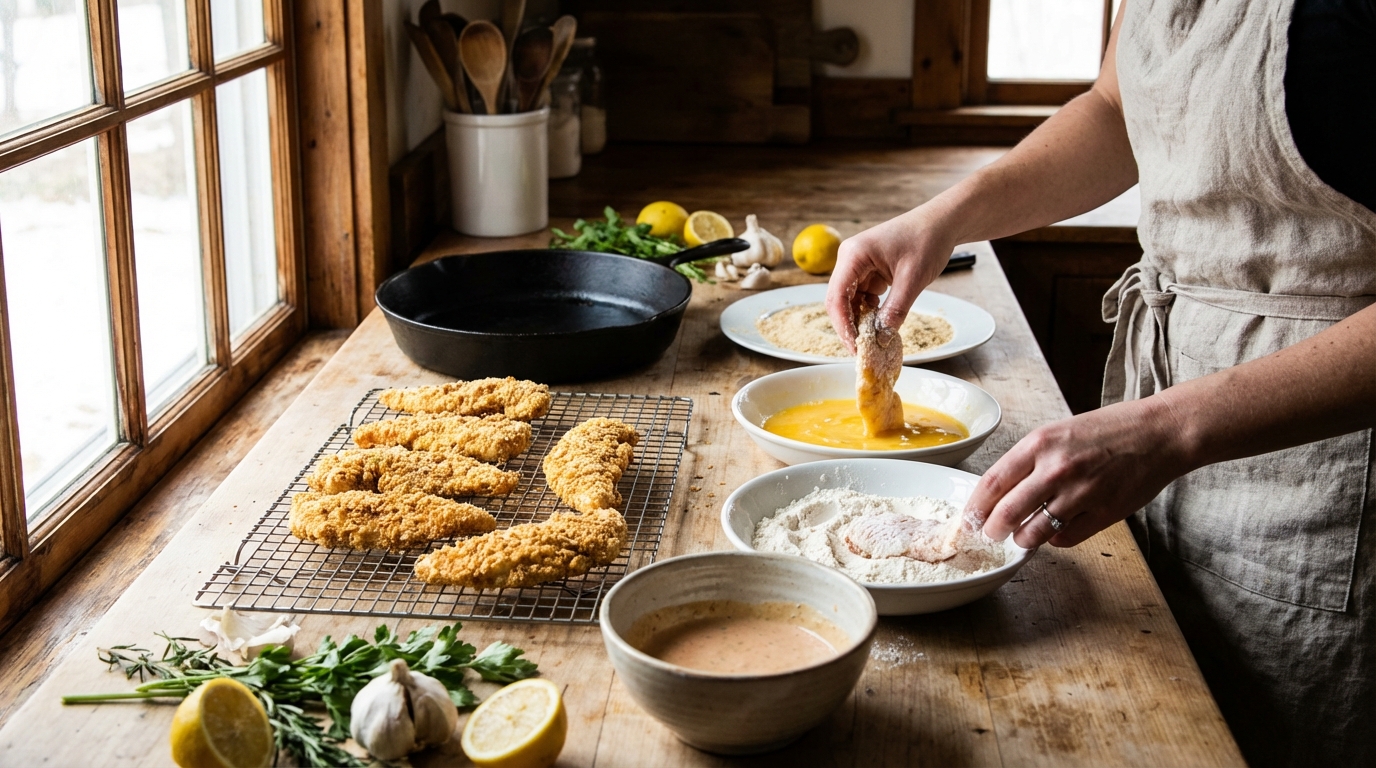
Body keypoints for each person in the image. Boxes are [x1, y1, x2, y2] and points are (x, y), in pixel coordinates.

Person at [824, 1, 1376, 765]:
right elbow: (1117, 109)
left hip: (1322, 467)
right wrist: (946, 218)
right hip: (1167, 412)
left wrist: (1171, 428)